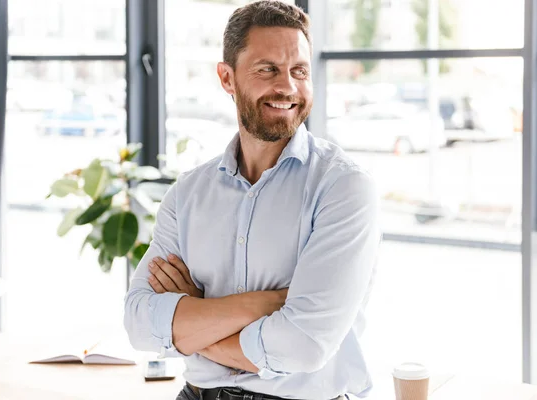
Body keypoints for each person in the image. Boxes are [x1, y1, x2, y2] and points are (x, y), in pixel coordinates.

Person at [124, 1, 379, 399]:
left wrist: (197, 318)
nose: (288, 87)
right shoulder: (188, 193)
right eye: (267, 70)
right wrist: (266, 304)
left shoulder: (343, 188)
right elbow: (139, 322)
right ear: (227, 78)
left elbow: (304, 345)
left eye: (300, 71)